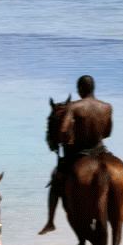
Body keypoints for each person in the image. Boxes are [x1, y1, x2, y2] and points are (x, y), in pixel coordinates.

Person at [40, 74, 114, 234]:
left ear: (80, 89)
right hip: (101, 150)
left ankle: (50, 221)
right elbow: (108, 133)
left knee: (56, 178)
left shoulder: (74, 107)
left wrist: (71, 139)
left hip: (81, 153)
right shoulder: (107, 107)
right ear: (93, 88)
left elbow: (63, 131)